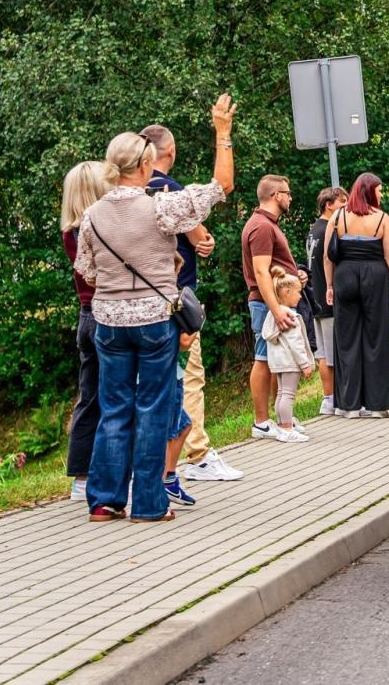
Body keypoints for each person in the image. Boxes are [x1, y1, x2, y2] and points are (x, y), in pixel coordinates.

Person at [73, 94, 234, 522]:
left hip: (108, 322)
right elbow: (221, 188)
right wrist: (222, 133)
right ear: (146, 166)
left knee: (113, 407)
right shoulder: (161, 206)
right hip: (154, 322)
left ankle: (105, 501)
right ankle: (148, 502)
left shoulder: (90, 215)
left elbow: (87, 272)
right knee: (152, 408)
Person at [140, 124, 242, 484]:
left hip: (130, 307)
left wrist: (199, 238)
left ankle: (147, 463)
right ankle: (196, 454)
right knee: (189, 378)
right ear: (170, 152)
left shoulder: (125, 191)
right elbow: (203, 228)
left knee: (144, 387)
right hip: (176, 302)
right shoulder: (168, 189)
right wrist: (222, 131)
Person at [325, 173, 389, 417]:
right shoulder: (382, 219)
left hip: (345, 275)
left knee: (347, 339)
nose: (381, 194)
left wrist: (329, 286)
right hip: (375, 277)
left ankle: (349, 405)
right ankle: (377, 405)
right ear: (369, 191)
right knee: (377, 338)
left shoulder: (337, 216)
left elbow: (328, 256)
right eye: (378, 190)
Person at [61, 161, 112, 501]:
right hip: (107, 313)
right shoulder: (100, 228)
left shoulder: (71, 231)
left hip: (86, 314)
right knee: (117, 397)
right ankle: (113, 471)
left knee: (90, 397)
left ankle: (81, 476)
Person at [241, 175, 305, 440]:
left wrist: (294, 277)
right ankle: (261, 422)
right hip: (267, 303)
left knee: (276, 359)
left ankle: (281, 418)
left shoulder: (268, 224)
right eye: (287, 193)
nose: (290, 198)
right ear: (276, 195)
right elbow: (260, 270)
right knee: (263, 358)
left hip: (275, 301)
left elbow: (274, 268)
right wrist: (276, 309)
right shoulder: (262, 227)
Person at [260, 266, 316, 440]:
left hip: (277, 362)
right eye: (298, 292)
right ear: (286, 291)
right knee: (288, 395)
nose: (300, 296)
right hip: (290, 361)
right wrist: (305, 364)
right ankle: (286, 429)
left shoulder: (273, 313)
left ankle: (282, 424)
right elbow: (296, 343)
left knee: (281, 393)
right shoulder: (289, 316)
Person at [305, 186, 347, 415]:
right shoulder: (329, 229)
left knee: (323, 353)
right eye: (342, 203)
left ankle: (328, 397)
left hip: (316, 297)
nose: (346, 208)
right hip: (329, 298)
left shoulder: (314, 228)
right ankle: (335, 399)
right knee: (333, 354)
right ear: (329, 204)